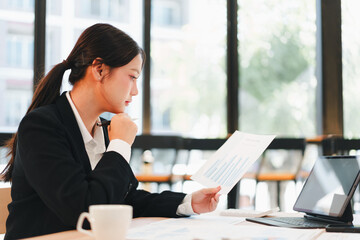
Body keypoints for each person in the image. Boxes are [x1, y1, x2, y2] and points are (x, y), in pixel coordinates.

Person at [1, 23, 221, 240]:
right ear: (99, 69)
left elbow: (123, 198)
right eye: (132, 77)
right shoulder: (41, 126)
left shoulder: (106, 129)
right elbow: (86, 212)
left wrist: (187, 202)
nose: (135, 91)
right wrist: (120, 146)